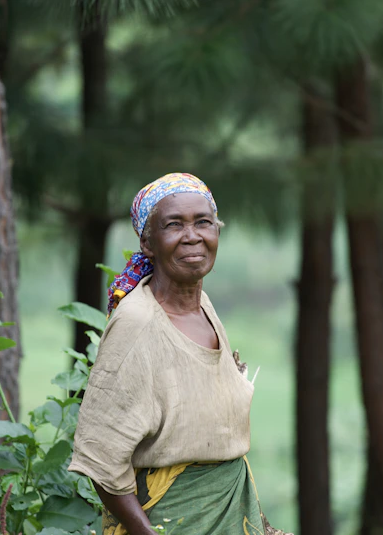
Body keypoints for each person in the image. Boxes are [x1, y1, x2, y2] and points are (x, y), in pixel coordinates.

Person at [69, 173, 283, 535]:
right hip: (168, 523)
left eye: (204, 222)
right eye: (174, 224)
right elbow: (101, 458)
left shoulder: (203, 307)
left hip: (230, 516)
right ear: (148, 243)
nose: (192, 235)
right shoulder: (137, 324)